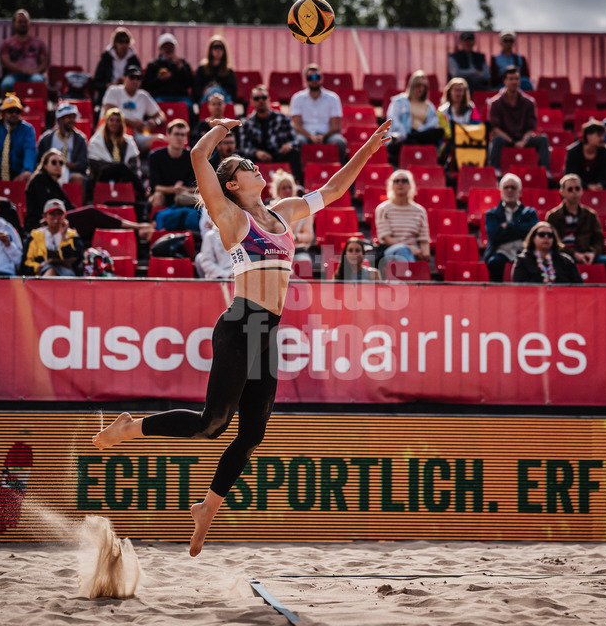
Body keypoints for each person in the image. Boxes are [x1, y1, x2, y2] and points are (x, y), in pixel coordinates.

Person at [92, 116, 393, 557]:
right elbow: (198, 158)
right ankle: (130, 428)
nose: (256, 168)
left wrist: (366, 149)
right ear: (231, 185)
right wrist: (220, 131)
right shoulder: (230, 217)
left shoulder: (284, 212)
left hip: (267, 330)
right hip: (240, 323)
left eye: (253, 164)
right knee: (212, 425)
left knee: (252, 434)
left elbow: (332, 191)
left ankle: (207, 509)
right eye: (246, 166)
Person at [25, 147, 152, 243]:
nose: (58, 166)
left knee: (91, 224)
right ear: (45, 165)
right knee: (91, 213)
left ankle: (133, 232)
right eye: (53, 162)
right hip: (42, 225)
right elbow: (48, 209)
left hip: (59, 222)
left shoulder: (54, 184)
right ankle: (136, 227)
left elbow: (68, 207)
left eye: (61, 163)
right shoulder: (39, 180)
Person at [545, 173, 606, 283]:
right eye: (570, 189)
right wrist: (574, 254)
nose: (574, 192)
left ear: (582, 190)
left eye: (577, 188)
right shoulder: (553, 216)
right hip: (563, 257)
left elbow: (599, 240)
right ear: (562, 192)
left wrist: (592, 253)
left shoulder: (590, 214)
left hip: (587, 256)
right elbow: (553, 243)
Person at [487, 65, 551, 172]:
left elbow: (531, 128)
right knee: (496, 140)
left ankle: (544, 171)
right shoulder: (495, 103)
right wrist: (512, 142)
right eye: (511, 79)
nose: (514, 82)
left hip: (523, 138)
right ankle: (495, 170)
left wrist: (523, 141)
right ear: (505, 81)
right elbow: (495, 128)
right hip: (505, 138)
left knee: (543, 139)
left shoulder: (529, 102)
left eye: (517, 79)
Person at [482, 172, 538, 281]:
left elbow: (532, 233)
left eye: (513, 187)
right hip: (501, 253)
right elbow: (495, 236)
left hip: (524, 252)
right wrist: (520, 229)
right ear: (501, 191)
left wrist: (508, 226)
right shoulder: (492, 214)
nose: (509, 190)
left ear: (520, 192)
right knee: (494, 263)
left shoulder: (530, 213)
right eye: (506, 187)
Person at [239, 84, 301, 180]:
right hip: (257, 158)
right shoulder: (246, 123)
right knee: (243, 157)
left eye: (264, 97)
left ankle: (297, 184)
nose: (261, 101)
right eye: (257, 98)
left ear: (269, 99)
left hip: (278, 153)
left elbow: (295, 141)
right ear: (251, 101)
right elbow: (244, 147)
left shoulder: (283, 119)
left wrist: (289, 145)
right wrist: (256, 152)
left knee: (293, 152)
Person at [88, 108, 147, 210]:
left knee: (122, 168)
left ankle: (138, 198)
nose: (114, 123)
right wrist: (115, 167)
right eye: (111, 120)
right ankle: (143, 192)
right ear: (106, 122)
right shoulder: (96, 141)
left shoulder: (128, 141)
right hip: (103, 175)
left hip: (123, 175)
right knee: (120, 167)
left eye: (117, 121)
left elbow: (133, 163)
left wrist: (120, 169)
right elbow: (94, 164)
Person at [290, 64, 347, 164]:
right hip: (305, 134)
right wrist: (310, 136)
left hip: (328, 134)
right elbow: (296, 126)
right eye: (310, 77)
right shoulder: (297, 98)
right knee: (297, 142)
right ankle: (298, 177)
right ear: (305, 80)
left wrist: (323, 136)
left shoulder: (333, 98)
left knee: (340, 142)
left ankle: (342, 175)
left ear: (322, 78)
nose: (314, 80)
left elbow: (336, 127)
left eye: (317, 77)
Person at [102, 63, 165, 154]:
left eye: (138, 78)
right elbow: (108, 113)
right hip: (115, 132)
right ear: (124, 78)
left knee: (161, 140)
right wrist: (132, 123)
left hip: (137, 135)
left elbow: (161, 115)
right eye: (132, 77)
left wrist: (155, 121)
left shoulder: (143, 95)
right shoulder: (114, 91)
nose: (135, 81)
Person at [385, 70, 444, 165]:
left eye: (423, 86)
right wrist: (404, 133)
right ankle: (411, 139)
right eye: (418, 85)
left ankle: (412, 138)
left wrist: (421, 131)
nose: (421, 89)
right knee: (408, 141)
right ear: (412, 86)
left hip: (420, 135)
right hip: (402, 136)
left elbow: (433, 123)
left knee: (440, 131)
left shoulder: (429, 105)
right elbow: (392, 119)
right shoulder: (399, 101)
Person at [375, 169, 430, 262]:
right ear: (391, 185)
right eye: (396, 181)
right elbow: (387, 239)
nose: (400, 183)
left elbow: (423, 240)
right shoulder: (383, 209)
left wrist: (425, 253)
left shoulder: (420, 211)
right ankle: (409, 275)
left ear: (410, 185)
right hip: (390, 252)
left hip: (413, 254)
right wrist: (409, 248)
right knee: (402, 250)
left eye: (404, 181)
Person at [22, 198, 85, 277]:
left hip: (67, 275)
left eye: (59, 214)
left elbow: (77, 260)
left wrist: (63, 237)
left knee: (53, 269)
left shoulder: (72, 236)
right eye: (52, 214)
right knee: (51, 269)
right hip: (40, 274)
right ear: (44, 216)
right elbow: (26, 263)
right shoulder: (35, 236)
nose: (56, 217)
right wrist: (37, 267)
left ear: (65, 216)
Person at [36, 102, 88, 190]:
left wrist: (64, 165)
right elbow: (39, 160)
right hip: (49, 172)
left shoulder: (80, 139)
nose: (72, 120)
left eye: (73, 117)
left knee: (78, 178)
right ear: (60, 119)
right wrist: (53, 167)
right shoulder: (46, 138)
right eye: (68, 117)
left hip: (71, 172)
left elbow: (83, 164)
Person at [148, 119, 196, 212]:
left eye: (182, 135)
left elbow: (196, 187)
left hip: (185, 195)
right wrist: (174, 189)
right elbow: (155, 187)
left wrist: (183, 190)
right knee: (158, 196)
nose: (179, 138)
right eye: (176, 134)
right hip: (164, 194)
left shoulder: (192, 157)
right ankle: (157, 223)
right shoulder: (155, 156)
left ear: (186, 138)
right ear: (168, 136)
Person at [0, 10, 49, 94]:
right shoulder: (6, 43)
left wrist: (37, 71)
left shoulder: (39, 42)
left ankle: (37, 107)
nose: (23, 24)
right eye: (20, 21)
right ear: (14, 23)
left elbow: (44, 62)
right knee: (6, 85)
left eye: (25, 21)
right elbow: (5, 62)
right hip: (13, 75)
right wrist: (24, 70)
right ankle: (8, 106)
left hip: (34, 74)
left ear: (29, 23)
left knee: (38, 81)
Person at [512, 222, 582, 283]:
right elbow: (520, 287)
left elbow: (578, 286)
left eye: (550, 235)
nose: (546, 237)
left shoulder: (566, 261)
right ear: (533, 238)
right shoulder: (522, 260)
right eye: (541, 234)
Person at [268, 170, 313, 262]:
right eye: (283, 188)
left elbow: (309, 236)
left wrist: (294, 237)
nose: (287, 190)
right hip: (276, 251)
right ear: (277, 191)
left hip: (298, 251)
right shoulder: (269, 210)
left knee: (304, 262)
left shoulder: (304, 209)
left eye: (290, 187)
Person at [91, 27, 142, 103]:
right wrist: (108, 86)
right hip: (108, 95)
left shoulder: (134, 59)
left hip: (128, 96)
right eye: (121, 41)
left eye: (127, 41)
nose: (124, 45)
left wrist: (127, 84)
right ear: (115, 43)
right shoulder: (106, 58)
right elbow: (96, 83)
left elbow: (140, 80)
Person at [143, 33, 193, 106]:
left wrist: (180, 68)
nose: (168, 50)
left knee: (188, 106)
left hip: (180, 97)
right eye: (165, 47)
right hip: (160, 96)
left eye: (171, 47)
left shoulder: (182, 63)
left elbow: (190, 83)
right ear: (160, 49)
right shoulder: (153, 65)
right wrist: (158, 79)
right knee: (155, 105)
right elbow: (146, 86)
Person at [563, 120, 606, 190]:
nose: (603, 139)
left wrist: (601, 184)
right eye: (599, 136)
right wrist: (586, 186)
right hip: (577, 189)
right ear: (588, 136)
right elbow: (569, 175)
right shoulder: (573, 152)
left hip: (599, 190)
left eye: (603, 136)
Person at [194, 35, 237, 105]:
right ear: (210, 50)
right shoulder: (202, 68)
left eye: (220, 48)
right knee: (214, 90)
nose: (218, 51)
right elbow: (195, 90)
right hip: (206, 100)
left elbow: (233, 92)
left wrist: (218, 90)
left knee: (216, 90)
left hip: (223, 100)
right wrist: (206, 90)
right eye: (215, 48)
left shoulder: (228, 71)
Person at [195, 209, 234, 278]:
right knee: (199, 257)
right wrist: (226, 274)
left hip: (241, 276)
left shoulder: (244, 233)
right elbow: (206, 262)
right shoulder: (211, 235)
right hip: (221, 278)